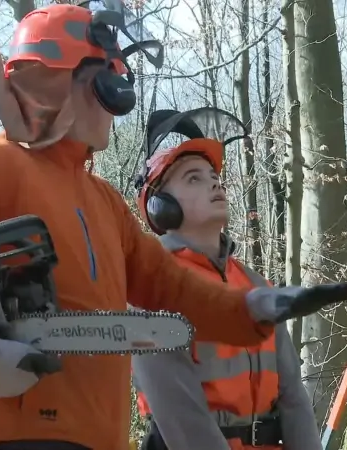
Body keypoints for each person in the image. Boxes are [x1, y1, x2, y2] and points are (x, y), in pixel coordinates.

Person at [0, 5, 347, 450]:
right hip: (2, 433)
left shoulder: (103, 201)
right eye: (110, 85)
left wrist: (252, 310)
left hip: (93, 434)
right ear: (67, 82)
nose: (117, 105)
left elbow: (172, 287)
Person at [130, 107, 324, 450]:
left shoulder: (255, 286)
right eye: (194, 177)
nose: (215, 182)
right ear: (159, 204)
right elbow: (183, 420)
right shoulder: (153, 290)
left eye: (214, 175)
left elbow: (293, 397)